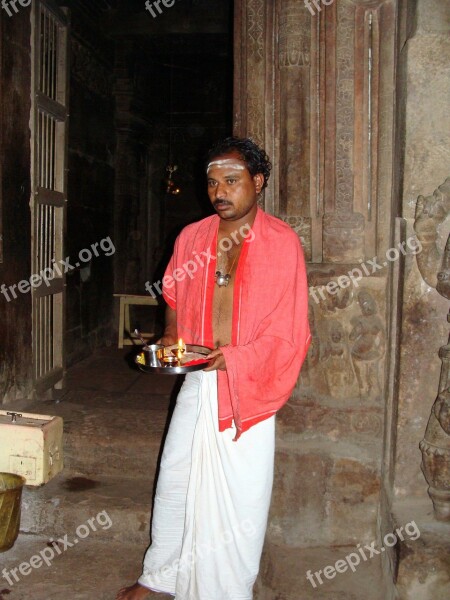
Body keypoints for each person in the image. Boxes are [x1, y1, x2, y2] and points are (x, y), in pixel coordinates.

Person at [117, 137, 311, 600]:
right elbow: (174, 299)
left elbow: (289, 327)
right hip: (201, 377)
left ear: (258, 182)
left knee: (238, 499)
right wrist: (170, 335)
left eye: (231, 180)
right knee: (177, 477)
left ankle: (225, 590)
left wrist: (239, 358)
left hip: (247, 387)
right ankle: (161, 576)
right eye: (211, 182)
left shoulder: (282, 243)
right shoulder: (193, 238)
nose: (218, 191)